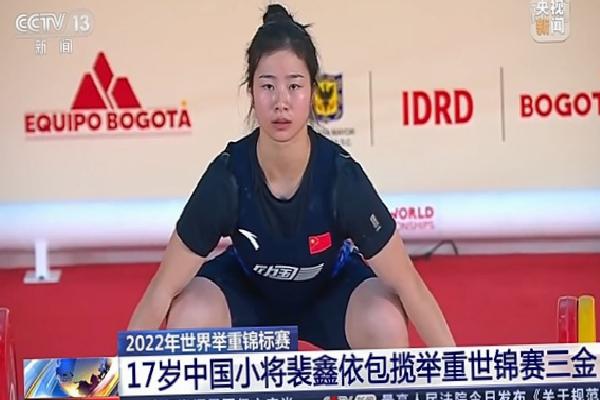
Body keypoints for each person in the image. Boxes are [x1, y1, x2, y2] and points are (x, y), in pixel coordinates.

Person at [128, 4, 455, 350]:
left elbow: (409, 286)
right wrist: (113, 377)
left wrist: (459, 373)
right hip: (247, 294)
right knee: (188, 315)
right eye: (268, 86)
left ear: (313, 91)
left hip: (330, 294)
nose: (281, 102)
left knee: (385, 319)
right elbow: (162, 288)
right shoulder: (228, 177)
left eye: (294, 86)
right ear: (251, 92)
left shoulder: (340, 178)